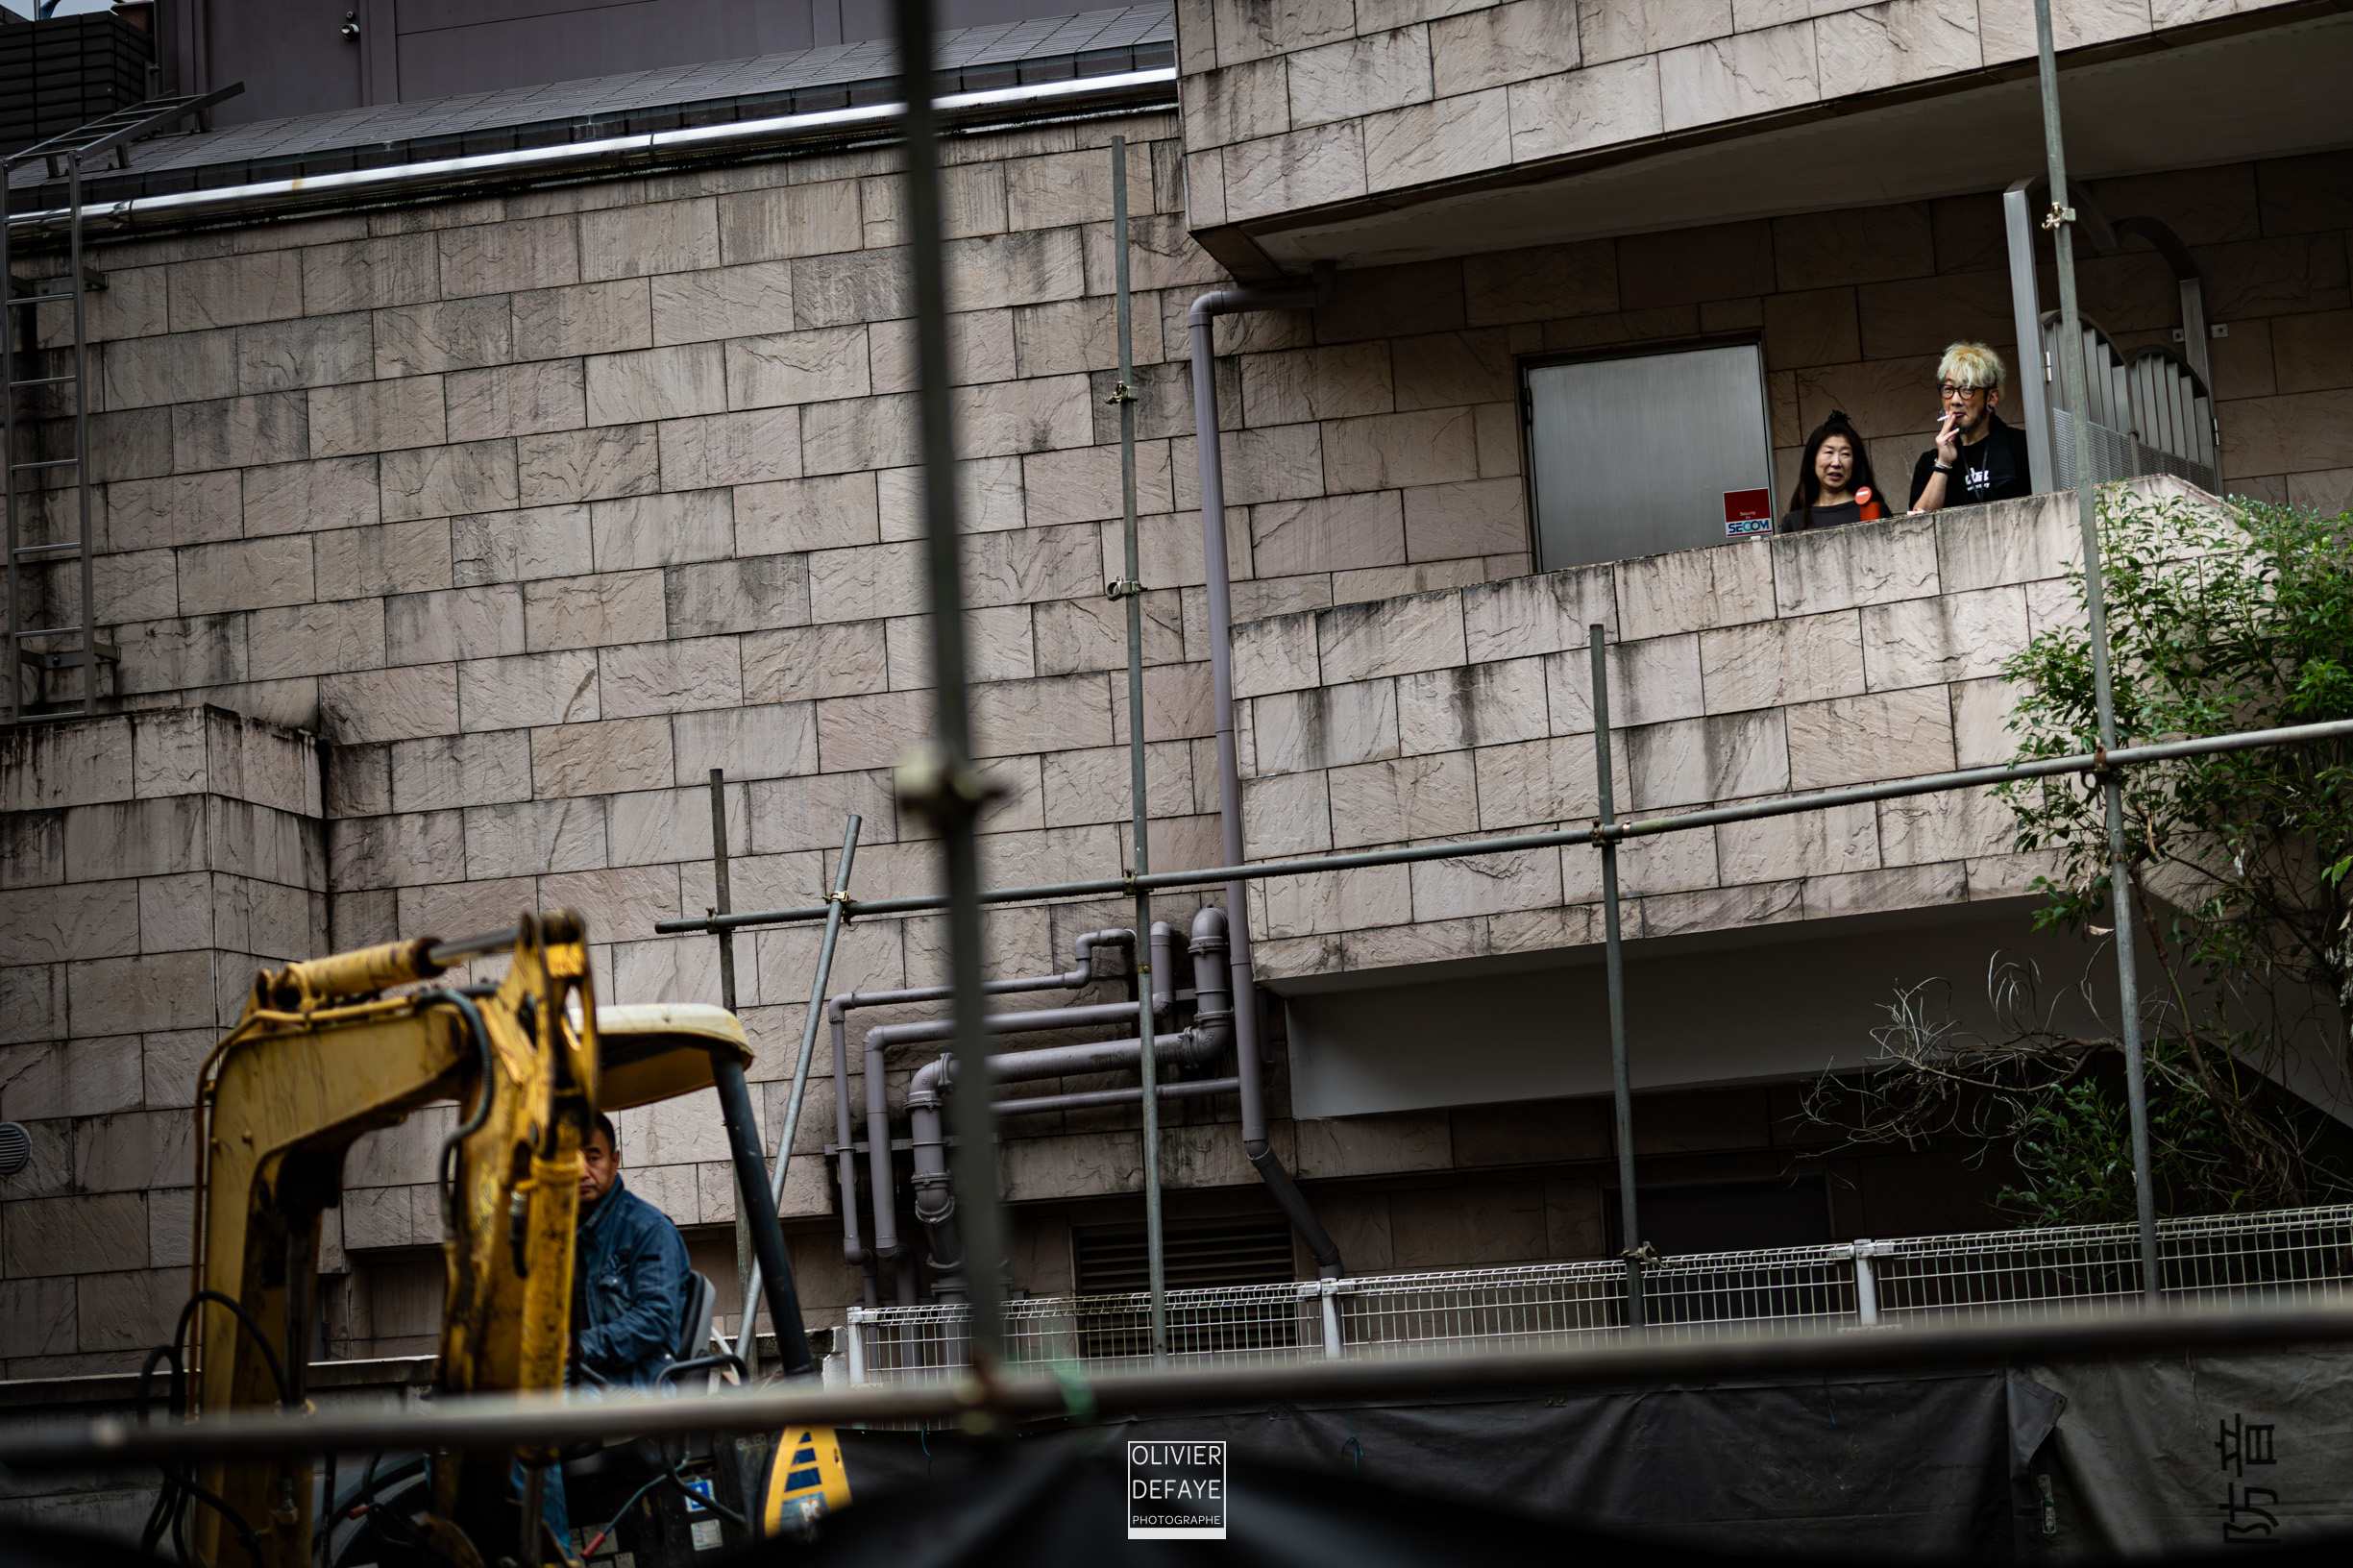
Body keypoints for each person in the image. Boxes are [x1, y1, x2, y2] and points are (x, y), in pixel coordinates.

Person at [572, 1111, 693, 1388]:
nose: (581, 1171)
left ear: (614, 1161)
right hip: (575, 1376)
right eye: (571, 1159)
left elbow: (656, 1317)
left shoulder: (649, 1230)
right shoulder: (554, 1233)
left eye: (593, 1158)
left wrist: (580, 1346)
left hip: (635, 1382)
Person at [1908, 342, 2034, 511]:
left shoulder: (2021, 446)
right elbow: (1919, 525)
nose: (1955, 400)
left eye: (1967, 389)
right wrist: (1943, 464)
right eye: (1948, 389)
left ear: (1991, 398)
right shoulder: (1929, 462)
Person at [1779, 410, 1889, 531]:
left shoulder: (1875, 511)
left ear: (1855, 463)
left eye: (1845, 454)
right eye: (1829, 452)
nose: (1836, 463)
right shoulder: (1794, 521)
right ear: (1812, 461)